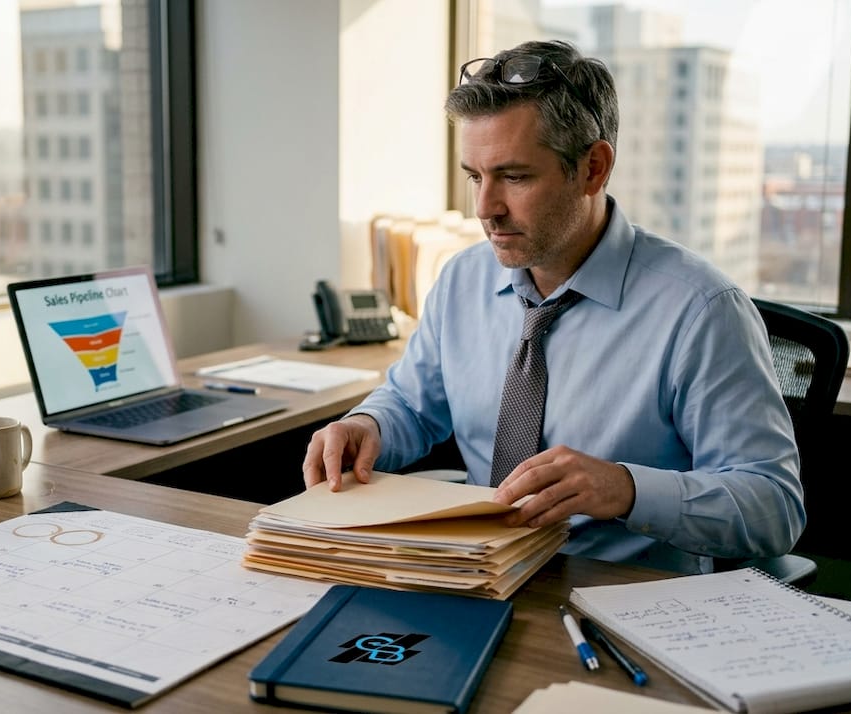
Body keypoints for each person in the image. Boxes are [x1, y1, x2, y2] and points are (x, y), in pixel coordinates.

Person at [301, 39, 803, 574]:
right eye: (475, 176)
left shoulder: (701, 310)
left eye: (514, 177)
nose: (485, 209)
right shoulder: (463, 279)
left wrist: (628, 489)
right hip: (479, 576)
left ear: (593, 169)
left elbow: (774, 507)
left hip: (624, 599)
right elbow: (412, 404)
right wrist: (368, 425)